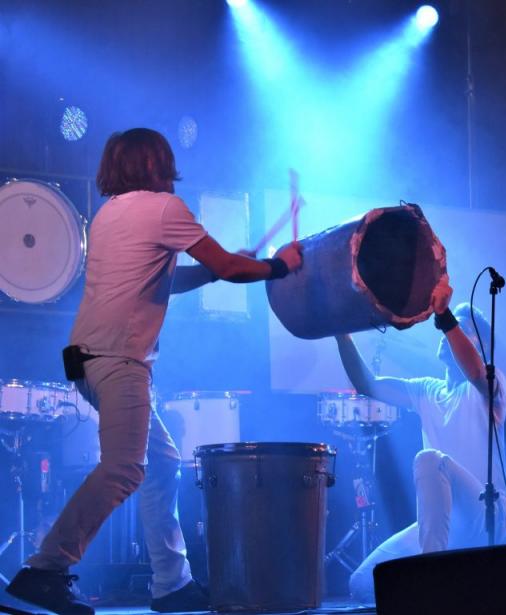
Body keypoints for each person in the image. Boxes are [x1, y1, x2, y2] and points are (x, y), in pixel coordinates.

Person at [4, 128, 303, 615]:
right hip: (120, 359)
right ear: (155, 164)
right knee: (124, 468)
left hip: (88, 359)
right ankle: (45, 569)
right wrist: (278, 266)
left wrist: (218, 268)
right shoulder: (165, 209)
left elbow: (165, 278)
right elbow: (230, 267)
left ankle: (171, 583)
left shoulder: (108, 215)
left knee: (161, 462)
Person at [334, 279, 506, 603]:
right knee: (362, 583)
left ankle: (431, 583)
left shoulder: (490, 380)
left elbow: (475, 371)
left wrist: (445, 316)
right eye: (451, 327)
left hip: (486, 513)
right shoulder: (425, 390)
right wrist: (340, 331)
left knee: (429, 459)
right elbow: (367, 384)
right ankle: (439, 585)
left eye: (464, 329)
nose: (448, 334)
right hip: (441, 523)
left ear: (481, 345)